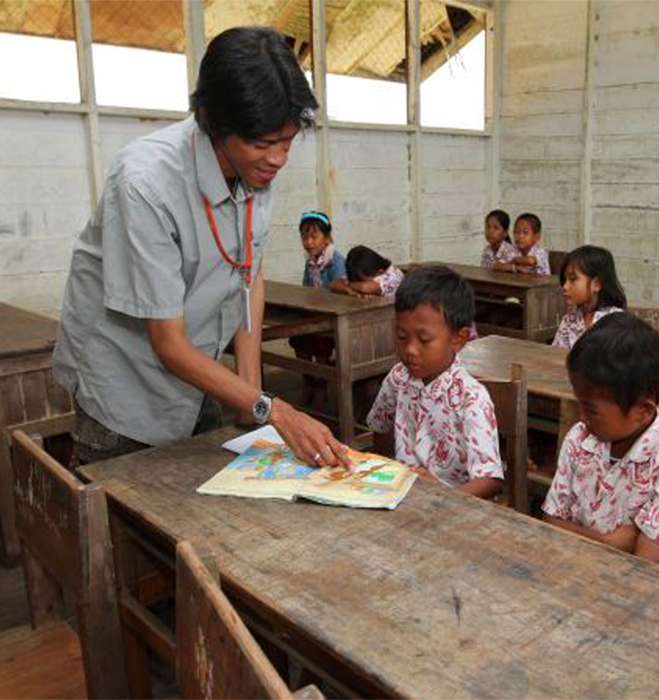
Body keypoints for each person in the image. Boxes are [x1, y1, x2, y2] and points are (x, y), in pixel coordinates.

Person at [52, 27, 348, 467]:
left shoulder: (255, 173)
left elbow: (249, 276)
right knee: (129, 515)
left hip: (196, 377)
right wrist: (272, 407)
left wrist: (251, 395)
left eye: (286, 142)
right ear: (215, 124)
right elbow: (167, 343)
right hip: (126, 383)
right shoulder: (145, 184)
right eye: (263, 144)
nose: (277, 159)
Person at [543, 313, 659, 572]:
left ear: (642, 411)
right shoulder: (580, 437)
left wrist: (580, 535)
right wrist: (609, 542)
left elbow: (644, 566)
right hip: (573, 572)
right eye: (579, 403)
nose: (582, 417)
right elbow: (552, 520)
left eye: (591, 409)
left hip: (643, 598)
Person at [366, 267, 503, 498]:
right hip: (403, 495)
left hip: (454, 504)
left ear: (458, 340)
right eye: (401, 336)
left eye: (424, 340)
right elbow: (380, 427)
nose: (409, 350)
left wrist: (441, 496)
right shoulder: (398, 378)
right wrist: (386, 470)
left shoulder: (471, 398)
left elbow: (490, 480)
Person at [552, 245, 626, 349]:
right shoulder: (568, 321)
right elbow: (555, 355)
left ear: (596, 284)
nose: (565, 286)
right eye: (565, 280)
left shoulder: (616, 321)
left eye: (573, 279)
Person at [300, 210, 347, 290]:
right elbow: (306, 288)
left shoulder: (335, 261)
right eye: (304, 237)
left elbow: (341, 294)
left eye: (314, 237)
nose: (309, 242)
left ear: (327, 238)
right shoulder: (310, 260)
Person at [333, 245, 404, 297]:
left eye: (362, 280)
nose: (359, 283)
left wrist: (349, 286)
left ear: (380, 272)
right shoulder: (363, 273)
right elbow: (333, 284)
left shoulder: (393, 276)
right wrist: (347, 290)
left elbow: (364, 288)